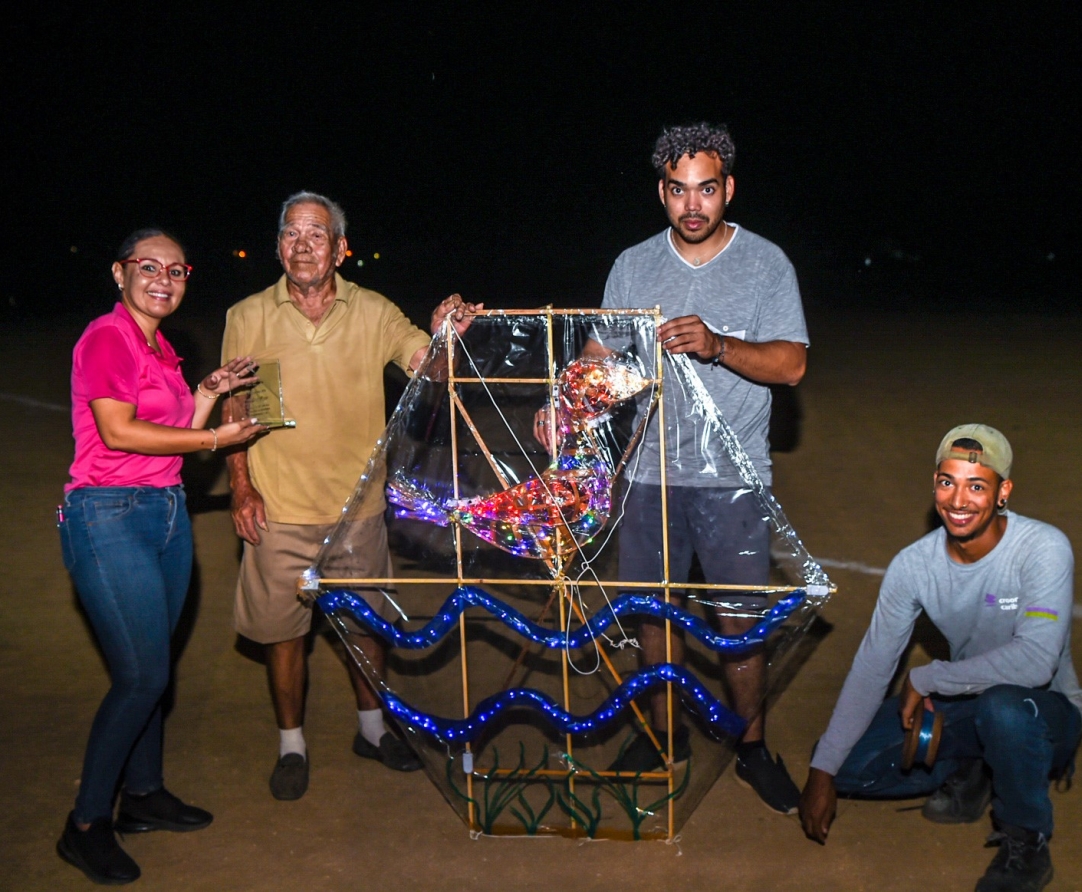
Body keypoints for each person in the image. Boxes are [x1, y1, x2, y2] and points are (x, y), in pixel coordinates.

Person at [542, 123, 809, 814]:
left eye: (708, 189)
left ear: (728, 190)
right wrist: (564, 402)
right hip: (649, 477)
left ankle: (751, 745)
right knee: (651, 617)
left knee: (738, 624)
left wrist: (719, 345)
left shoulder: (766, 264)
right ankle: (664, 736)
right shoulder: (633, 265)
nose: (694, 205)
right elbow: (600, 354)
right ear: (662, 192)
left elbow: (792, 363)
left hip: (733, 481)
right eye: (680, 191)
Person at [221, 191, 479, 801]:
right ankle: (292, 744)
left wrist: (444, 340)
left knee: (367, 628)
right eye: (291, 233)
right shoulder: (247, 314)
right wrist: (241, 486)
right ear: (278, 245)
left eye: (317, 234)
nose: (303, 244)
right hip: (277, 508)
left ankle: (371, 729)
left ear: (341, 248)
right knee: (284, 635)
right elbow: (235, 406)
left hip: (357, 511)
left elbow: (428, 368)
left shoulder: (374, 311)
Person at [56, 230, 265, 884]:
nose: (163, 279)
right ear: (120, 272)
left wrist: (206, 391)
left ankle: (142, 796)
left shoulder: (160, 348)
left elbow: (167, 432)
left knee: (155, 666)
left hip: (165, 515)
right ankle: (86, 823)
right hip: (107, 515)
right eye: (148, 267)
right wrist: (213, 435)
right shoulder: (106, 338)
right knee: (141, 675)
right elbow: (118, 430)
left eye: (176, 270)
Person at [800, 424, 1082, 892]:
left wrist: (932, 677)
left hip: (1042, 710)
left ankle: (1026, 842)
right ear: (934, 482)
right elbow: (874, 666)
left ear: (1003, 492)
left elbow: (1036, 662)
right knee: (843, 765)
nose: (958, 500)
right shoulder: (913, 566)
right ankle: (975, 768)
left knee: (1005, 711)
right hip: (966, 702)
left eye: (977, 486)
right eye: (947, 481)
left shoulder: (1043, 548)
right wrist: (822, 771)